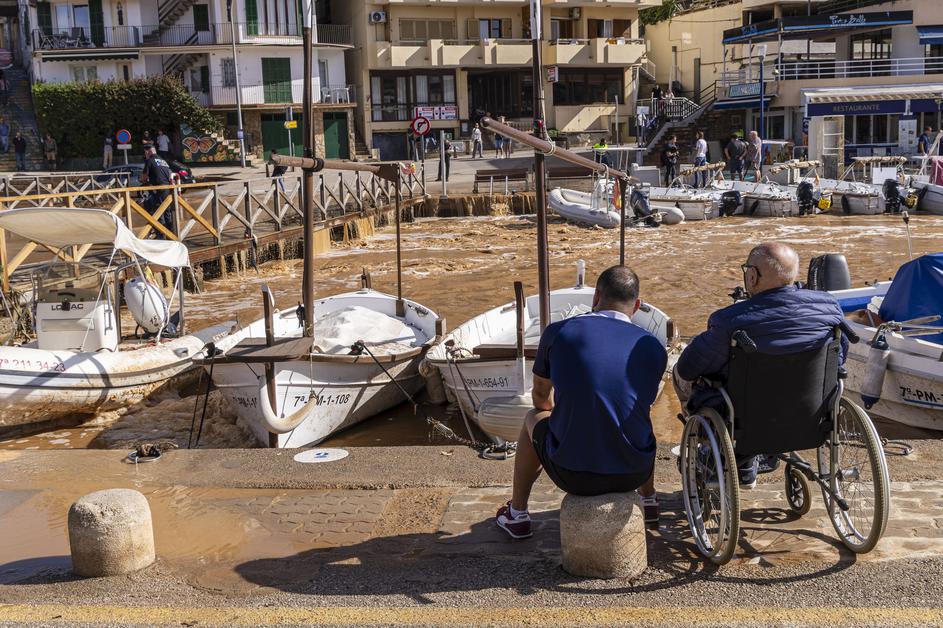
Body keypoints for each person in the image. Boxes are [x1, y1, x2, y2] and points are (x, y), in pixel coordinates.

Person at [495, 266, 668, 539]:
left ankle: (517, 514)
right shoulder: (653, 346)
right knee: (639, 416)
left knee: (532, 417)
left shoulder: (558, 332)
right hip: (635, 471)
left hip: (573, 475)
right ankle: (648, 500)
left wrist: (568, 414)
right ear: (636, 305)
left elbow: (540, 398)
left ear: (596, 296)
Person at [672, 242, 848, 488]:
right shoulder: (828, 307)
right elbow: (839, 357)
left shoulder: (730, 320)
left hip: (746, 419)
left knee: (681, 375)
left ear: (752, 276)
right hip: (811, 414)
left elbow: (689, 367)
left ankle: (717, 451)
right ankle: (746, 463)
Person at [140, 146, 174, 234]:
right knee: (167, 211)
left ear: (148, 152)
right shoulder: (163, 161)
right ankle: (171, 233)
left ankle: (161, 234)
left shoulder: (149, 161)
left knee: (158, 210)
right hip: (167, 188)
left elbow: (144, 177)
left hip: (157, 189)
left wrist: (143, 180)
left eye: (145, 153)